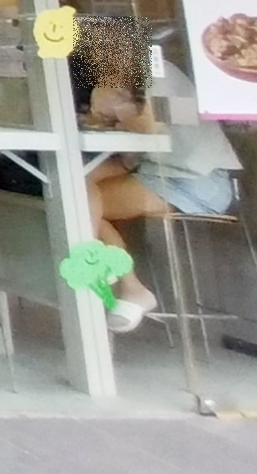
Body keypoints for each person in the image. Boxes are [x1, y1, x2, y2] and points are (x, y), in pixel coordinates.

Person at [79, 35, 243, 334]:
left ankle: (112, 277)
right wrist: (107, 111)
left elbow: (149, 124)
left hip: (197, 180)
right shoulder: (133, 78)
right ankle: (117, 277)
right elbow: (130, 147)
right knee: (77, 188)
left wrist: (109, 112)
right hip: (163, 170)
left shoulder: (157, 72)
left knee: (79, 200)